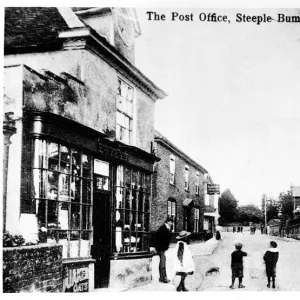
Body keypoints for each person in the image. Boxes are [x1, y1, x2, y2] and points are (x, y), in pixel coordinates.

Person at [154, 217, 174, 283]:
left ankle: (162, 277)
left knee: (162, 262)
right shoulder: (163, 228)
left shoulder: (166, 228)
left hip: (162, 248)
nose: (172, 223)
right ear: (168, 222)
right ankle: (163, 278)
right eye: (171, 222)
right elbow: (163, 238)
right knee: (163, 262)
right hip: (160, 248)